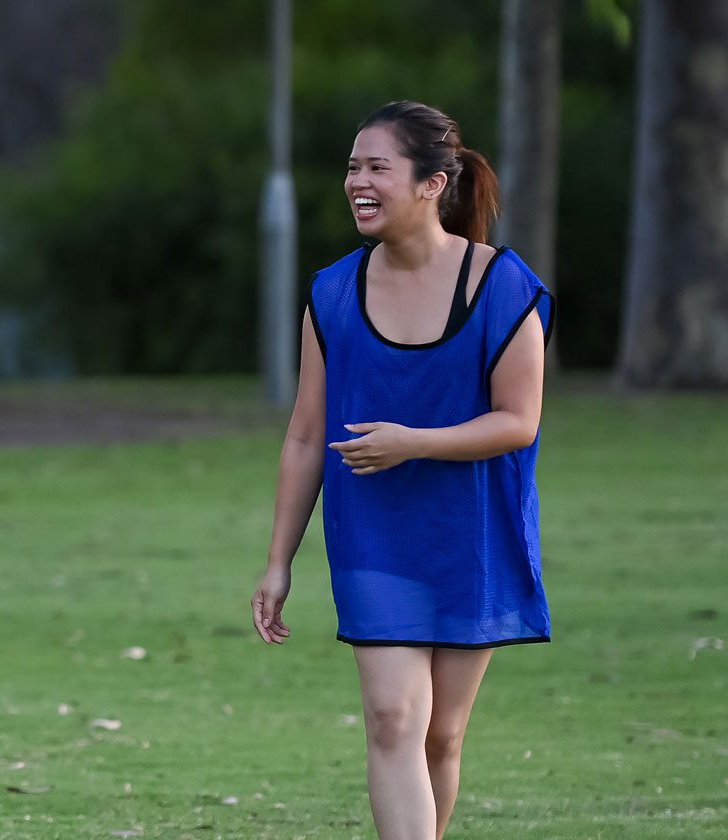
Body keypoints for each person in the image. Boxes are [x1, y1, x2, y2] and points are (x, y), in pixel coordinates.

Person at [251, 100, 553, 840]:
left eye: (376, 167)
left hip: (471, 535)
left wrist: (411, 441)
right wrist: (278, 561)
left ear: (432, 183)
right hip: (374, 538)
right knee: (391, 721)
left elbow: (518, 421)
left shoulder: (503, 287)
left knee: (439, 738)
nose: (357, 180)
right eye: (353, 166)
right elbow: (305, 435)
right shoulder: (330, 294)